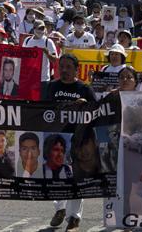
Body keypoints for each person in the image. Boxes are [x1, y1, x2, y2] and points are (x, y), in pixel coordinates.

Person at [42, 53, 95, 232]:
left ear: (76, 69)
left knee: (76, 179)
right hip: (55, 139)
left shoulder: (85, 89)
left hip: (78, 140)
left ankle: (74, 219)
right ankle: (60, 209)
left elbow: (96, 111)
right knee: (54, 176)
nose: (64, 70)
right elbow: (40, 110)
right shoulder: (50, 86)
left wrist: (85, 105)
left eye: (68, 67)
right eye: (61, 66)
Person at [22, 20, 58, 93]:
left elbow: (55, 60)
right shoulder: (27, 40)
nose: (41, 31)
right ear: (34, 29)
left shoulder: (48, 41)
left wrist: (47, 53)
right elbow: (22, 58)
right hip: (29, 77)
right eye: (39, 28)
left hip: (43, 79)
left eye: (42, 28)